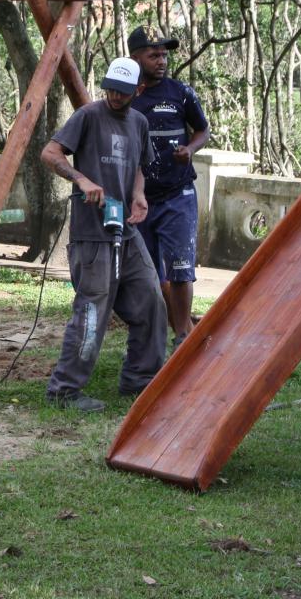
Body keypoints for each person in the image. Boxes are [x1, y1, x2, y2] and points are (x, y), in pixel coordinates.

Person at [41, 56, 167, 411]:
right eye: (110, 88)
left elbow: (141, 165)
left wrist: (139, 194)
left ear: (137, 91)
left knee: (152, 301)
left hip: (126, 232)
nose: (114, 96)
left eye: (123, 92)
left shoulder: (139, 122)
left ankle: (140, 379)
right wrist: (80, 178)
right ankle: (63, 391)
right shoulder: (88, 116)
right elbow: (50, 153)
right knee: (92, 312)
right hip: (92, 236)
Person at [128, 29, 211, 350]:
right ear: (136, 58)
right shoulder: (126, 97)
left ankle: (183, 338)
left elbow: (202, 130)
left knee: (180, 267)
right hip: (141, 199)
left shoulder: (182, 93)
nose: (161, 61)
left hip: (179, 195)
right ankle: (176, 327)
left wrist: (190, 149)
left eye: (164, 55)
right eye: (154, 55)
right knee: (150, 272)